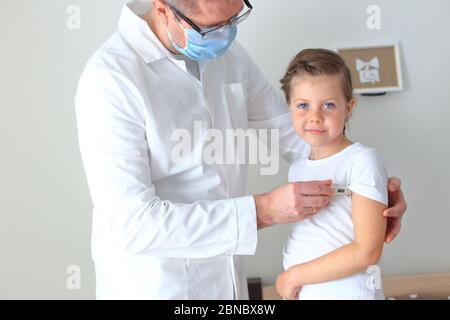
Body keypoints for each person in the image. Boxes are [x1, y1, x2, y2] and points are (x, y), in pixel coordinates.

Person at [74, 0, 407, 300]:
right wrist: (263, 211)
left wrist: (369, 188)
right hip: (156, 284)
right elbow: (133, 225)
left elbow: (302, 138)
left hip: (227, 281)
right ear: (163, 10)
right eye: (213, 27)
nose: (226, 35)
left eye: (234, 19)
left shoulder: (230, 56)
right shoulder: (110, 80)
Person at [276, 49, 392, 300]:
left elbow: (367, 252)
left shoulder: (361, 161)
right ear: (289, 108)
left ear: (348, 108)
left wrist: (293, 276)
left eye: (328, 105)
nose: (315, 117)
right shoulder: (298, 167)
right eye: (303, 105)